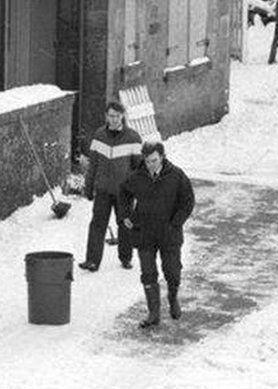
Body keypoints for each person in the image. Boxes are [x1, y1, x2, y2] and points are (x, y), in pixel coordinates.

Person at [118, 141, 195, 329]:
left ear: (162, 157)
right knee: (148, 273)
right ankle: (153, 313)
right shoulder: (137, 176)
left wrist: (175, 223)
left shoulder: (176, 176)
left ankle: (173, 297)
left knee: (172, 270)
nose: (150, 164)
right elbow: (123, 193)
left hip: (169, 233)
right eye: (147, 161)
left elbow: (188, 201)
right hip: (144, 232)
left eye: (154, 160)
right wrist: (126, 215)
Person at [79, 101, 142, 272]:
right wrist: (89, 186)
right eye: (111, 116)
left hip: (124, 192)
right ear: (106, 116)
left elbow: (138, 168)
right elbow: (93, 165)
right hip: (103, 190)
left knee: (125, 224)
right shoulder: (99, 135)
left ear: (123, 116)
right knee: (97, 225)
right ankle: (92, 260)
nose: (113, 119)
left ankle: (126, 257)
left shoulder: (133, 138)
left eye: (117, 115)